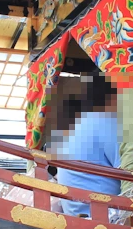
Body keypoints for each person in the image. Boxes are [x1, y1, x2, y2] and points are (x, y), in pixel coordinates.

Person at [51, 74, 121, 217]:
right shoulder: (108, 123)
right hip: (105, 217)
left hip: (74, 216)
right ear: (115, 96)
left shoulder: (74, 126)